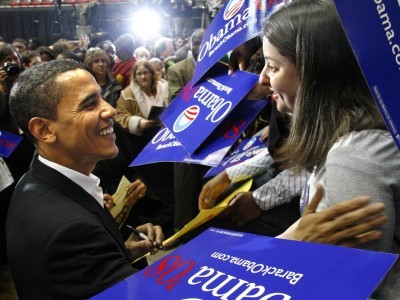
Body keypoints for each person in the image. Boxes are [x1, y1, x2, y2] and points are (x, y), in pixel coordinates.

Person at [6, 60, 164, 299]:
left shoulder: (34, 180)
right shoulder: (71, 232)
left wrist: (117, 252)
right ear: (44, 130)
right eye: (89, 105)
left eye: (101, 97)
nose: (109, 110)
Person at [257, 0, 399, 255]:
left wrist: (288, 246)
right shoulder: (346, 141)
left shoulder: (354, 158)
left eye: (274, 66)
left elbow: (356, 281)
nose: (263, 78)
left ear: (315, 73)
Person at [115, 59, 174, 236]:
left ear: (151, 74)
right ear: (134, 77)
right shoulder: (127, 94)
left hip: (165, 141)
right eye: (139, 74)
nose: (143, 76)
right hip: (142, 144)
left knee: (168, 182)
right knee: (153, 185)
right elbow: (120, 117)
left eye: (146, 73)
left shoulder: (164, 88)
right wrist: (139, 122)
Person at [166, 28, 211, 230]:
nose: (200, 46)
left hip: (215, 139)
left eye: (205, 41)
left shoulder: (225, 67)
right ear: (189, 45)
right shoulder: (177, 70)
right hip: (187, 140)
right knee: (185, 193)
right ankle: (182, 234)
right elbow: (177, 101)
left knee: (208, 190)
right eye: (196, 42)